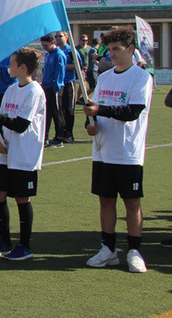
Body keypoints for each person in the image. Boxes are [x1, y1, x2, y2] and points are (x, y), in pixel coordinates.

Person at [83, 27, 152, 273]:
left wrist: (100, 110)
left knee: (132, 202)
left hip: (127, 152)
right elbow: (94, 108)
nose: (111, 54)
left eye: (116, 49)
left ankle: (134, 250)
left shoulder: (141, 77)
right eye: (108, 49)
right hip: (103, 151)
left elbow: (131, 112)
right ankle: (108, 249)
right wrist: (90, 124)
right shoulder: (104, 77)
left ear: (130, 50)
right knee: (106, 201)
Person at [0, 47, 46, 261]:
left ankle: (24, 246)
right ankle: (4, 241)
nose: (8, 66)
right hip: (6, 152)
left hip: (24, 153)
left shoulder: (34, 91)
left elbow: (20, 125)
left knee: (21, 198)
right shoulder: (11, 89)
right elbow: (4, 121)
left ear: (22, 67)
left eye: (12, 63)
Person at [40, 35, 66, 147]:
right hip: (46, 87)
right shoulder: (48, 55)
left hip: (54, 88)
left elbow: (60, 73)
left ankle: (59, 137)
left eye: (46, 45)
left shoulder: (59, 55)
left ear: (52, 42)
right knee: (47, 112)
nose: (44, 47)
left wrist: (56, 86)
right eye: (43, 45)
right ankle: (45, 137)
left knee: (57, 112)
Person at [55, 32, 77, 143]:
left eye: (60, 36)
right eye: (56, 36)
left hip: (68, 83)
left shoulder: (70, 51)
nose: (58, 38)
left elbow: (77, 66)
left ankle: (69, 133)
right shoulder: (56, 52)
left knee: (69, 109)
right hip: (59, 84)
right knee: (59, 109)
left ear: (66, 37)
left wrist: (62, 66)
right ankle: (61, 133)